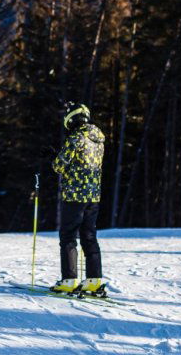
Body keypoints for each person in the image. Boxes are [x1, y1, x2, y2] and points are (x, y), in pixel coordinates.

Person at [50, 103, 107, 297]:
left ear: (72, 119)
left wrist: (52, 156)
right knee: (89, 236)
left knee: (68, 236)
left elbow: (59, 165)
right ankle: (94, 280)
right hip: (93, 196)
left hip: (74, 196)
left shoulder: (76, 137)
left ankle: (69, 279)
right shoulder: (98, 139)